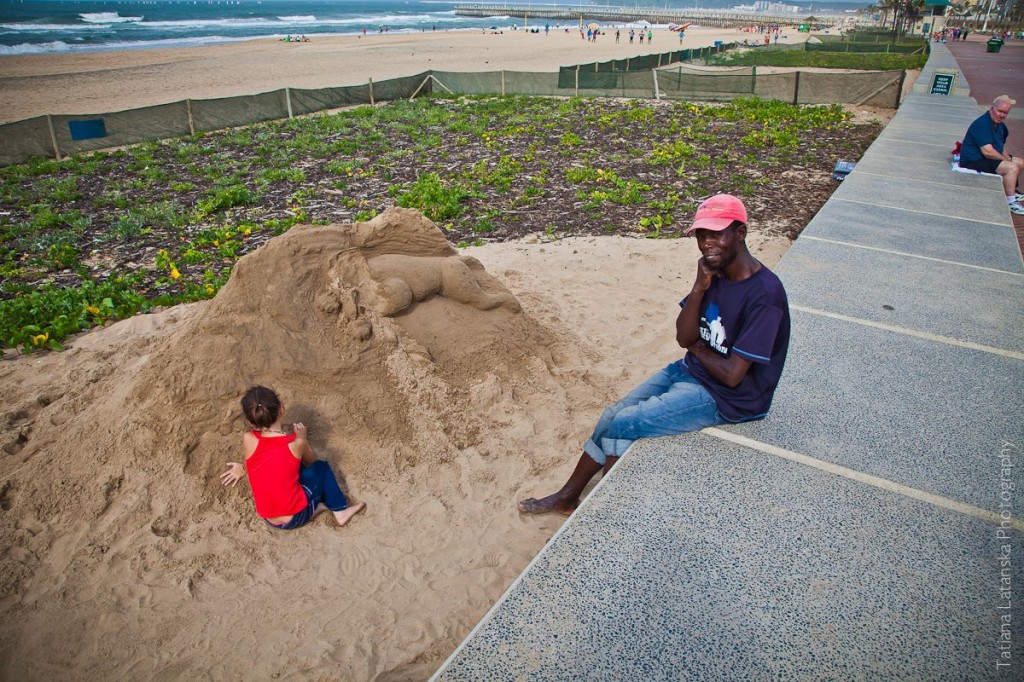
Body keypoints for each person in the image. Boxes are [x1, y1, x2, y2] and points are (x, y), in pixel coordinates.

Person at [518, 195, 791, 515]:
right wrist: (700, 288)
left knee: (625, 423)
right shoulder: (713, 275)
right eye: (702, 235)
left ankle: (605, 514)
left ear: (740, 233)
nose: (707, 244)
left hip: (730, 398)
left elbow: (732, 374)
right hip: (693, 371)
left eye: (717, 234)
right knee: (611, 415)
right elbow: (683, 335)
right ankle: (567, 497)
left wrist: (694, 348)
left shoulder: (765, 294)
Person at [221, 385, 366, 529]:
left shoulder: (248, 438)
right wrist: (302, 437)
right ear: (282, 409)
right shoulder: (295, 444)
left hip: (269, 519)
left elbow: (253, 461)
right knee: (321, 468)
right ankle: (340, 512)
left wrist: (241, 468)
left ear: (252, 422)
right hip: (296, 517)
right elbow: (311, 462)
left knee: (285, 466)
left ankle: (318, 507)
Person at [959, 95, 1024, 215]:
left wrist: (1008, 158)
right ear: (992, 108)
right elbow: (988, 152)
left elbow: (1001, 146)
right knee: (1012, 167)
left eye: (1005, 113)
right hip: (973, 160)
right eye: (1000, 111)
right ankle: (1011, 202)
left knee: (1020, 162)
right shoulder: (982, 124)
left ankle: (1012, 189)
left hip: (986, 157)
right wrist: (1007, 162)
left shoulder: (1000, 126)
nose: (1002, 115)